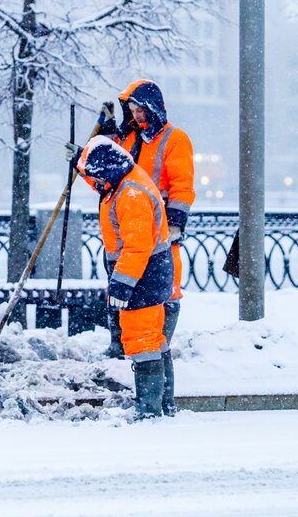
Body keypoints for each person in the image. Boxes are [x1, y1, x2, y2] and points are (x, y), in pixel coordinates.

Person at [96, 79, 195, 416]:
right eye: (132, 110)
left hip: (160, 231)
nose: (136, 115)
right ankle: (132, 351)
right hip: (133, 227)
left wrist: (176, 221)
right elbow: (106, 168)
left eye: (140, 109)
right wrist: (104, 133)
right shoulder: (130, 138)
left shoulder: (174, 139)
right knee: (131, 293)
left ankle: (156, 357)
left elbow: (182, 185)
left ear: (153, 108)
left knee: (164, 293)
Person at [73, 136, 174, 419]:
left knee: (141, 339)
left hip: (143, 276)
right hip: (151, 273)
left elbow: (137, 247)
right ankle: (164, 404)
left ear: (108, 170)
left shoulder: (131, 195)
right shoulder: (121, 179)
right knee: (153, 338)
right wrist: (80, 162)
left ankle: (150, 410)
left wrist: (122, 283)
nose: (96, 182)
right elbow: (100, 183)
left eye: (97, 175)